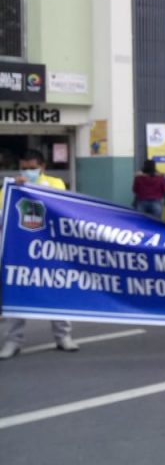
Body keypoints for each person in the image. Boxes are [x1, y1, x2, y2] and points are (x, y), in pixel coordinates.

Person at [0, 149, 78, 360]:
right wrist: (14, 190)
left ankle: (63, 337)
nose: (28, 171)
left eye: (33, 168)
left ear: (42, 167)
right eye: (24, 168)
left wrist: (32, 188)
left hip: (49, 250)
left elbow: (61, 206)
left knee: (56, 292)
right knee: (17, 295)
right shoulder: (8, 188)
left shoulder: (54, 183)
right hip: (19, 251)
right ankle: (12, 341)